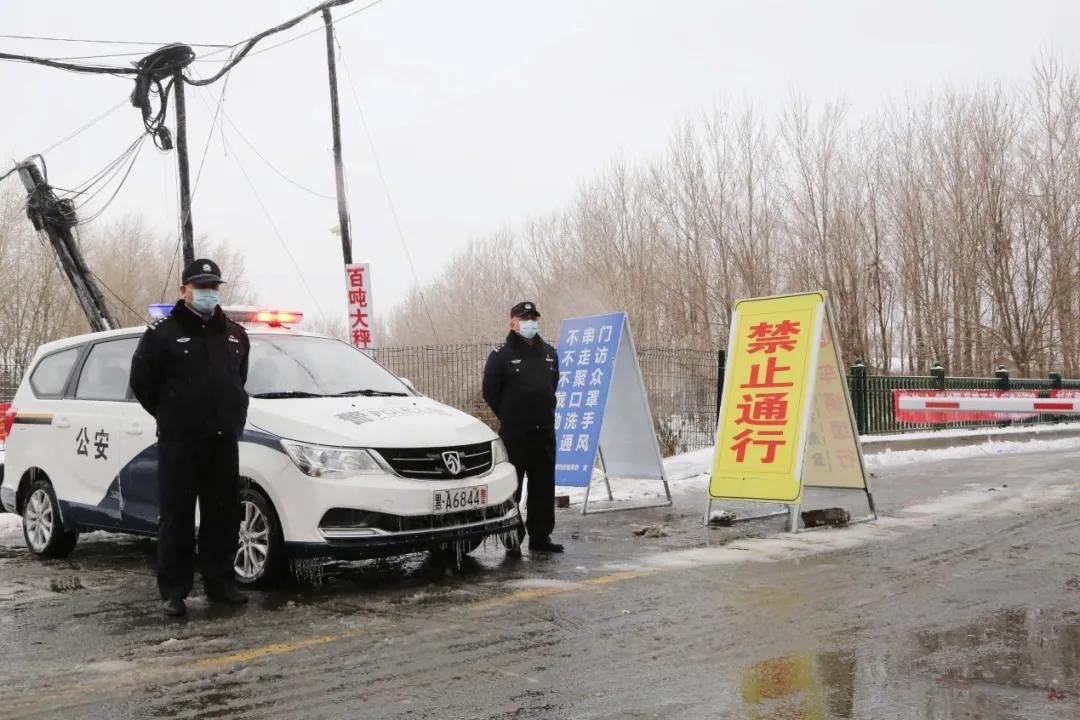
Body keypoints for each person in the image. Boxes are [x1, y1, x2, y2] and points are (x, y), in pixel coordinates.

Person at [130, 259, 251, 616]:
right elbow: (142, 384)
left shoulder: (234, 334)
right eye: (201, 287)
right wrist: (171, 415)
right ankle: (174, 591)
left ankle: (220, 583)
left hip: (222, 441)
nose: (208, 293)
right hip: (180, 442)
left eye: (213, 287)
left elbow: (238, 380)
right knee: (177, 518)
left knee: (223, 515)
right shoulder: (161, 334)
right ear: (184, 291)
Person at [482, 301, 564, 555]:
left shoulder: (549, 353)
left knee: (543, 486)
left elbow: (552, 385)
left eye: (533, 317)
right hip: (515, 433)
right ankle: (512, 538)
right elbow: (490, 392)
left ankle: (541, 536)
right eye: (524, 317)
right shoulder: (501, 355)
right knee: (512, 487)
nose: (530, 322)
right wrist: (510, 415)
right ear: (512, 322)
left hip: (544, 431)